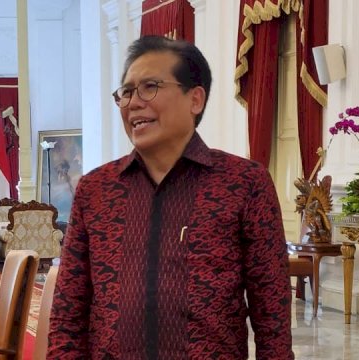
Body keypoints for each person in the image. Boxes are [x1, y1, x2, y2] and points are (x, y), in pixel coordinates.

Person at [47, 36, 293, 359]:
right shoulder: (97, 190)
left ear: (195, 99)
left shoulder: (245, 184)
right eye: (126, 92)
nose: (133, 102)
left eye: (150, 86)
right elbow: (68, 313)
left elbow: (272, 316)